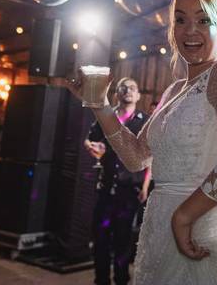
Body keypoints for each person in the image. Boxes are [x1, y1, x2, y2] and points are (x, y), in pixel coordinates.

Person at [70, 0, 217, 284]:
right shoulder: (175, 90)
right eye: (181, 20)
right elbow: (136, 157)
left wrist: (185, 216)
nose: (190, 30)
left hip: (203, 229)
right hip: (161, 228)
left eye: (203, 20)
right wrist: (100, 105)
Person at [85, 76, 150, 285]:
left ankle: (122, 280)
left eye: (132, 88)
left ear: (138, 95)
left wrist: (145, 186)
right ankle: (101, 280)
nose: (127, 90)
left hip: (129, 190)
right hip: (105, 187)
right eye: (123, 87)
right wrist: (91, 147)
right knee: (101, 237)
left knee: (123, 239)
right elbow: (89, 139)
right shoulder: (107, 117)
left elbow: (150, 157)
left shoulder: (144, 121)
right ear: (117, 94)